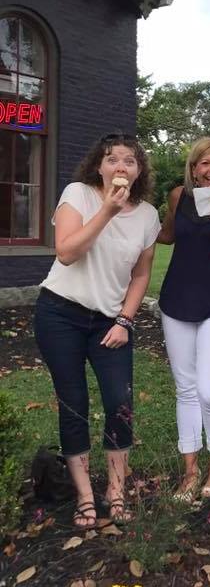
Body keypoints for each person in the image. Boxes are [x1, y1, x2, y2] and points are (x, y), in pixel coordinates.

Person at [34, 132, 160, 528]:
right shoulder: (79, 195)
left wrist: (125, 320)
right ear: (99, 166)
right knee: (73, 404)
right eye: (112, 159)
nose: (120, 166)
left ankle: (116, 490)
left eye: (130, 161)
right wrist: (107, 210)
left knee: (119, 403)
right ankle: (86, 495)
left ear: (139, 171)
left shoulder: (148, 215)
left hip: (110, 322)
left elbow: (140, 275)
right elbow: (67, 252)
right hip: (60, 315)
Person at [157, 137, 210, 500]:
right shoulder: (178, 197)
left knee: (208, 389)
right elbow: (168, 235)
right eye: (205, 163)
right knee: (185, 389)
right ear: (193, 169)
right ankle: (190, 473)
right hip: (176, 300)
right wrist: (126, 221)